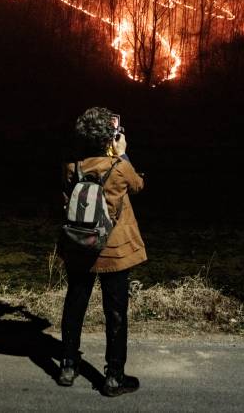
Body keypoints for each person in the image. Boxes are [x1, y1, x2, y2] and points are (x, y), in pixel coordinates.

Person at [57, 107, 146, 397]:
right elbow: (138, 185)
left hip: (79, 246)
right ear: (110, 137)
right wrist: (121, 152)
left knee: (75, 304)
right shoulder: (120, 167)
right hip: (113, 250)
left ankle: (68, 366)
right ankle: (113, 377)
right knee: (116, 312)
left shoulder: (73, 166)